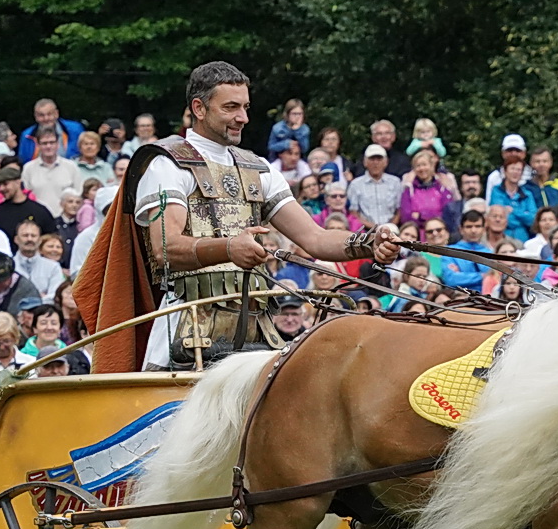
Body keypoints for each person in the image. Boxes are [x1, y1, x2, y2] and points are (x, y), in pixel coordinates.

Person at [80, 61, 399, 372]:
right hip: (185, 337)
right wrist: (230, 248)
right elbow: (167, 250)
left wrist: (369, 243)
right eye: (231, 107)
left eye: (245, 107)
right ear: (199, 108)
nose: (243, 117)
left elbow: (314, 238)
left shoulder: (257, 168)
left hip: (254, 333)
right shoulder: (167, 165)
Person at [20, 129, 81, 219]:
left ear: (57, 144)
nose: (48, 146)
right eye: (44, 143)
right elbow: (25, 196)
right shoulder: (28, 168)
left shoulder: (71, 167)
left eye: (52, 142)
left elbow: (78, 195)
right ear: (38, 145)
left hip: (65, 221)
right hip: (37, 219)